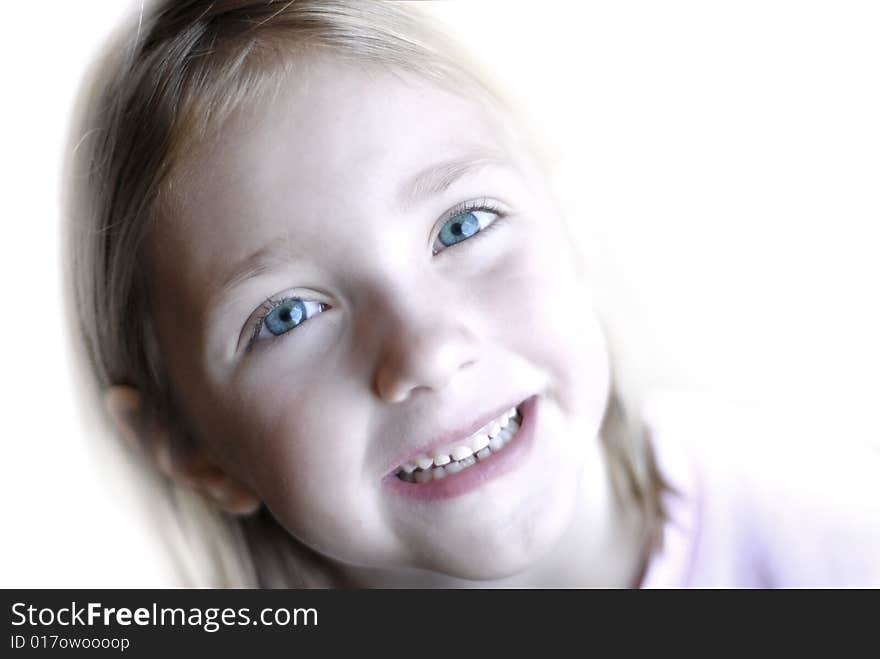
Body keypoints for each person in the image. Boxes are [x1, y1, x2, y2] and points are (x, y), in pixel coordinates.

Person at [64, 0, 878, 588]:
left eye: (462, 226)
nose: (425, 350)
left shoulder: (833, 549)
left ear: (567, 220)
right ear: (186, 446)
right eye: (288, 315)